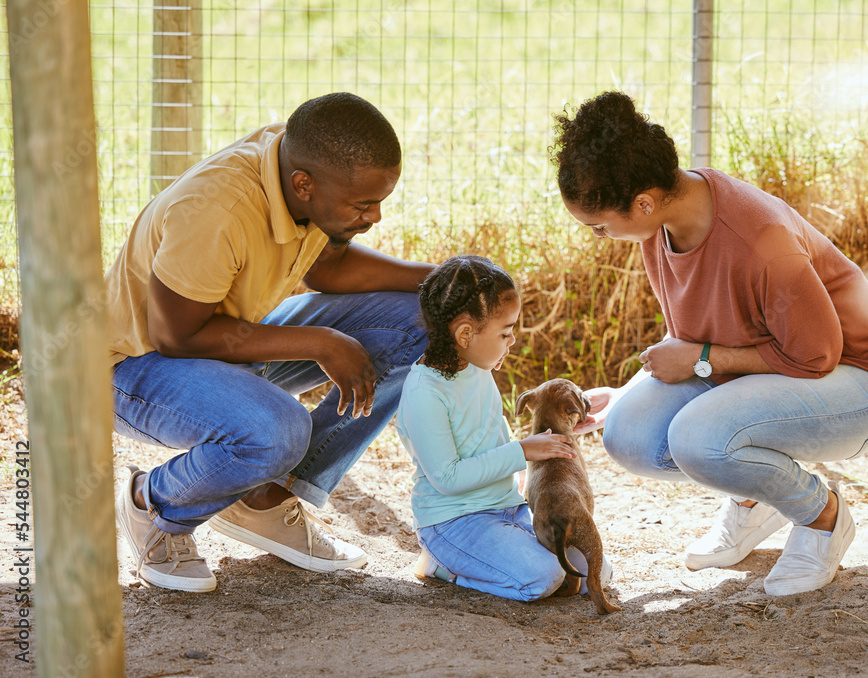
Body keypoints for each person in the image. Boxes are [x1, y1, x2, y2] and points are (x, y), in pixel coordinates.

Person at [551, 91, 868, 596]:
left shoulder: (759, 237)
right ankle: (753, 497)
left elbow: (815, 355)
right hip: (780, 367)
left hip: (862, 378)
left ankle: (823, 517)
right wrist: (631, 390)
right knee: (628, 434)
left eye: (601, 226)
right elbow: (703, 335)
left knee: (699, 440)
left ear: (643, 202)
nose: (600, 237)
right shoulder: (662, 226)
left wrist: (698, 360)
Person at [108, 92, 435, 593]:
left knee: (421, 317)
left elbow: (327, 265)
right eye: (363, 205)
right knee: (278, 429)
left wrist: (439, 281)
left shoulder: (296, 172)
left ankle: (262, 497)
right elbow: (175, 336)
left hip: (216, 342)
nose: (375, 217)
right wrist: (322, 342)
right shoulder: (216, 209)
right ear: (304, 185)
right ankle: (155, 505)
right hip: (131, 366)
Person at [395, 255, 611, 602]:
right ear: (466, 333)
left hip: (507, 508)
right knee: (544, 579)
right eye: (505, 332)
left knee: (591, 573)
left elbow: (487, 436)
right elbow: (447, 478)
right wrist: (522, 451)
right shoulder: (425, 393)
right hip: (455, 522)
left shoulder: (478, 366)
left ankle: (501, 555)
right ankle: (442, 565)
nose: (511, 341)